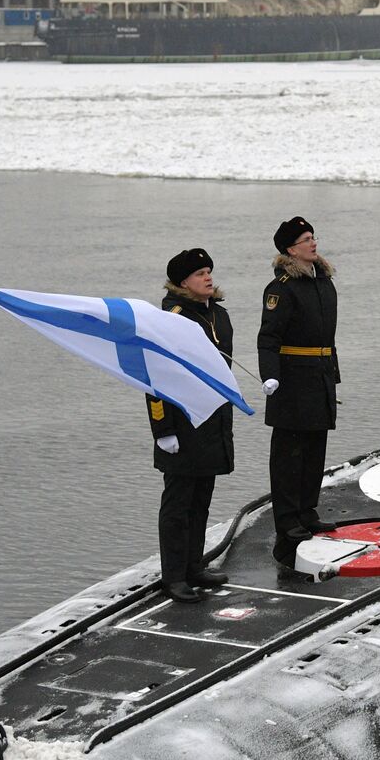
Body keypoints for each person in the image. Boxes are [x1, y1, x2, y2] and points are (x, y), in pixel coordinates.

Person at [149, 248, 234, 603]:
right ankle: (173, 576)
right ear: (183, 282)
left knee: (201, 499)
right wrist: (162, 429)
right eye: (200, 273)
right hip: (182, 423)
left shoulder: (218, 314)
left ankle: (193, 565)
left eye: (209, 271)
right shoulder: (172, 318)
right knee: (178, 503)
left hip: (212, 420)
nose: (208, 278)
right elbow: (155, 375)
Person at [258, 217, 340, 565]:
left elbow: (326, 337)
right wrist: (271, 375)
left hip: (320, 375)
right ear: (291, 249)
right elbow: (268, 337)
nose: (313, 243)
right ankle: (287, 519)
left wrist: (331, 373)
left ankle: (307, 511)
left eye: (313, 237)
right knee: (289, 454)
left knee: (314, 448)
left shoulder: (323, 281)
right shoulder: (282, 288)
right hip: (292, 379)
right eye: (306, 239)